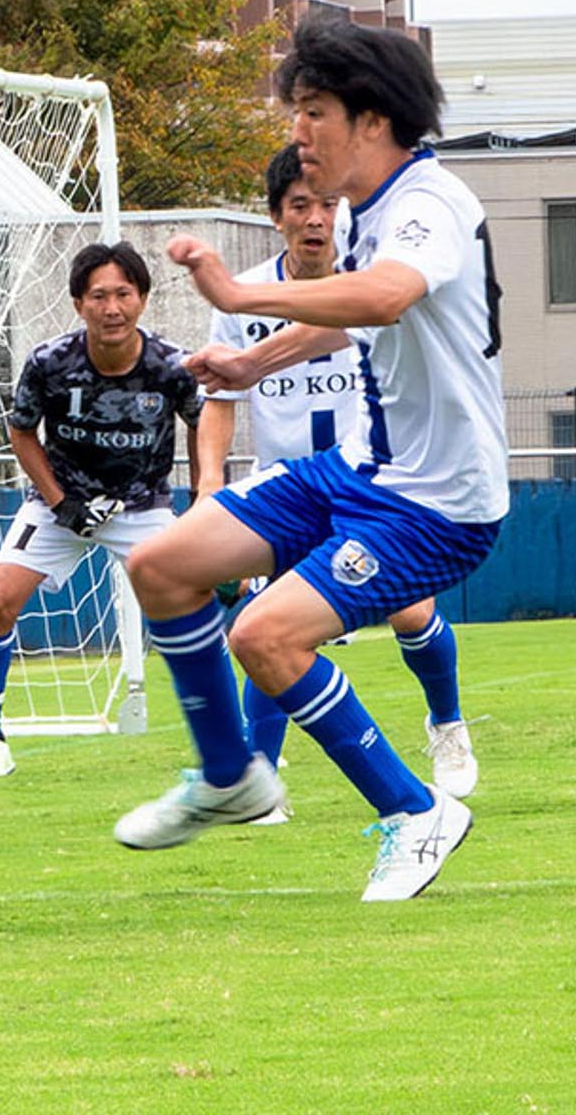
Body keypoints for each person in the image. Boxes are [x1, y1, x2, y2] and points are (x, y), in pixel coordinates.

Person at [112, 15, 508, 902]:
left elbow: (387, 295)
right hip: (361, 472)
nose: (298, 132)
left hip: (434, 500)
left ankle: (416, 814)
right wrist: (254, 360)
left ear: (372, 119)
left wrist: (236, 292)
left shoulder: (426, 204)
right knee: (162, 566)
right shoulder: (372, 209)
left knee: (264, 635)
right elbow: (346, 312)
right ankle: (231, 778)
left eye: (314, 111)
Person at [195, 145, 477, 816]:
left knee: (411, 611)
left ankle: (447, 724)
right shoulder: (247, 298)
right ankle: (261, 783)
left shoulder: (374, 285)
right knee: (268, 625)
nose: (316, 219)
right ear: (276, 218)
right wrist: (209, 482)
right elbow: (221, 402)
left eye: (327, 205)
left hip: (372, 485)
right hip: (291, 493)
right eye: (300, 207)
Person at [0, 241, 202, 778]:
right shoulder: (49, 362)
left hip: (143, 506)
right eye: (99, 296)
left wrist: (203, 493)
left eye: (123, 294)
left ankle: (226, 738)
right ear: (78, 303)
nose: (111, 307)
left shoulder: (172, 365)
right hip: (59, 503)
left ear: (142, 299)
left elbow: (204, 420)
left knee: (197, 604)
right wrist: (60, 502)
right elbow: (21, 433)